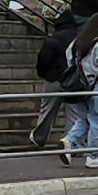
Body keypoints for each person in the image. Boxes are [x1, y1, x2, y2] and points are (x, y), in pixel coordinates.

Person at [59, 12, 98, 170]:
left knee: (84, 119)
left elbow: (68, 58)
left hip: (79, 86)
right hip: (97, 86)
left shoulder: (77, 42)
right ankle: (93, 157)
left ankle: (69, 141)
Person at [29, 11, 84, 147]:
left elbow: (43, 59)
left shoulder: (53, 39)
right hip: (73, 80)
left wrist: (44, 74)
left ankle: (39, 137)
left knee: (47, 110)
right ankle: (72, 143)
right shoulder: (81, 39)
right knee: (73, 114)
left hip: (53, 79)